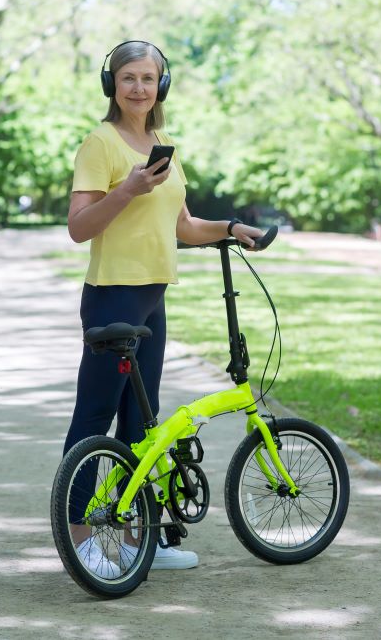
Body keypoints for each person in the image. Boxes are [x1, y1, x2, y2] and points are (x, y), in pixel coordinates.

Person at [63, 40, 264, 576]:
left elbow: (183, 226)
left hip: (153, 298)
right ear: (112, 85)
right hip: (113, 296)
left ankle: (139, 540)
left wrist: (230, 228)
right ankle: (80, 540)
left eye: (148, 78)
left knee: (141, 423)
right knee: (94, 417)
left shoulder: (162, 146)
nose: (138, 88)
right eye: (128, 77)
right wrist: (127, 189)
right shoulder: (100, 144)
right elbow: (79, 228)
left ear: (161, 86)